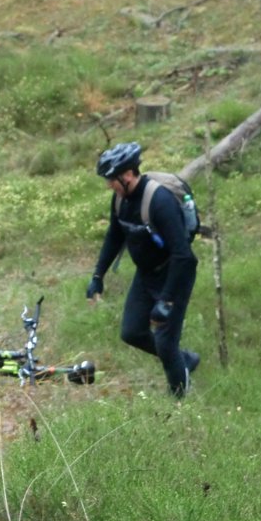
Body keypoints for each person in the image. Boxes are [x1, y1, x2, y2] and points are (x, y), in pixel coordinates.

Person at [86, 142, 199, 398]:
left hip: (174, 274)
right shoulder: (120, 199)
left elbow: (183, 255)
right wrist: (98, 276)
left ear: (127, 174)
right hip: (146, 274)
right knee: (132, 332)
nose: (109, 185)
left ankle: (180, 400)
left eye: (112, 179)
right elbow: (114, 236)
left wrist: (167, 300)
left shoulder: (159, 201)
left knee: (165, 341)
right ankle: (184, 361)